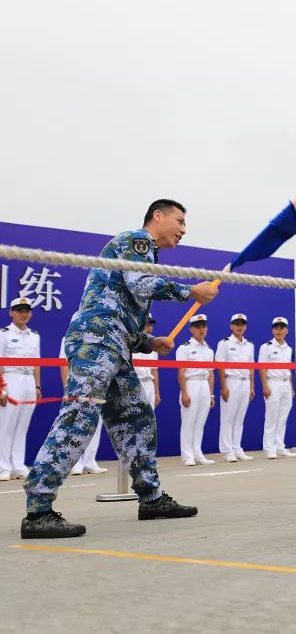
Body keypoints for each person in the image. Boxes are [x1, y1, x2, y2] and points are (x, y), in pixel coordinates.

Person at [21, 199, 217, 538]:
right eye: (180, 221)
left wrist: (148, 342)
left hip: (114, 346)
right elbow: (139, 285)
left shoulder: (146, 255)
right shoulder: (137, 241)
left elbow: (120, 309)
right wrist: (190, 291)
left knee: (137, 415)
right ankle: (38, 511)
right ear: (159, 216)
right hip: (96, 343)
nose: (184, 230)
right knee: (79, 416)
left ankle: (152, 499)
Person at [0, 298, 41, 481]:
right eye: (19, 310)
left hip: (28, 381)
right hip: (11, 378)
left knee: (22, 425)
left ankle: (18, 464)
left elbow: (37, 363)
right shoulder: (4, 334)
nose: (23, 314)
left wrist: (37, 385)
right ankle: (3, 466)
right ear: (11, 312)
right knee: (6, 424)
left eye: (26, 310)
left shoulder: (34, 335)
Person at [61, 334, 108, 476]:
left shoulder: (102, 337)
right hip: (77, 384)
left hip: (97, 385)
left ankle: (89, 461)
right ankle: (74, 463)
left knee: (96, 424)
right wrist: (66, 387)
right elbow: (63, 363)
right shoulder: (70, 336)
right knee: (77, 425)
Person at [175, 314, 216, 466]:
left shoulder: (209, 350)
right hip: (190, 383)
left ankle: (198, 453)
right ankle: (188, 456)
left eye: (203, 326)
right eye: (198, 326)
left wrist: (211, 394)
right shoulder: (184, 347)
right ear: (191, 329)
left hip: (204, 384)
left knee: (200, 422)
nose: (201, 329)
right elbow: (181, 372)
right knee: (188, 421)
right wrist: (184, 392)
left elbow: (211, 373)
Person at [216, 313, 256, 462]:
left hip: (245, 382)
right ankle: (227, 451)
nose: (239, 326)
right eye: (236, 324)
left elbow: (251, 367)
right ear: (231, 326)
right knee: (227, 417)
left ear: (245, 327)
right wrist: (223, 387)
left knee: (240, 418)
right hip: (231, 381)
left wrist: (252, 386)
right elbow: (219, 365)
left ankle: (237, 447)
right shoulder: (224, 343)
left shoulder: (250, 345)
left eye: (242, 324)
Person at [259, 317, 296, 459]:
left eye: (282, 328)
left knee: (282, 417)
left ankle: (280, 446)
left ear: (287, 330)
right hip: (272, 383)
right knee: (271, 417)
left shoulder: (288, 348)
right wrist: (265, 385)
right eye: (276, 328)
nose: (279, 330)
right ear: (272, 330)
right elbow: (262, 368)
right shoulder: (266, 347)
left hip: (286, 383)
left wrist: (291, 387)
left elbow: (289, 369)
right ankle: (269, 448)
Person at [134, 317, 161, 409]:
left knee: (149, 419)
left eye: (151, 325)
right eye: (146, 325)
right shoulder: (130, 344)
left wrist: (156, 392)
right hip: (136, 384)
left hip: (149, 385)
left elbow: (154, 372)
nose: (149, 327)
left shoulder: (154, 348)